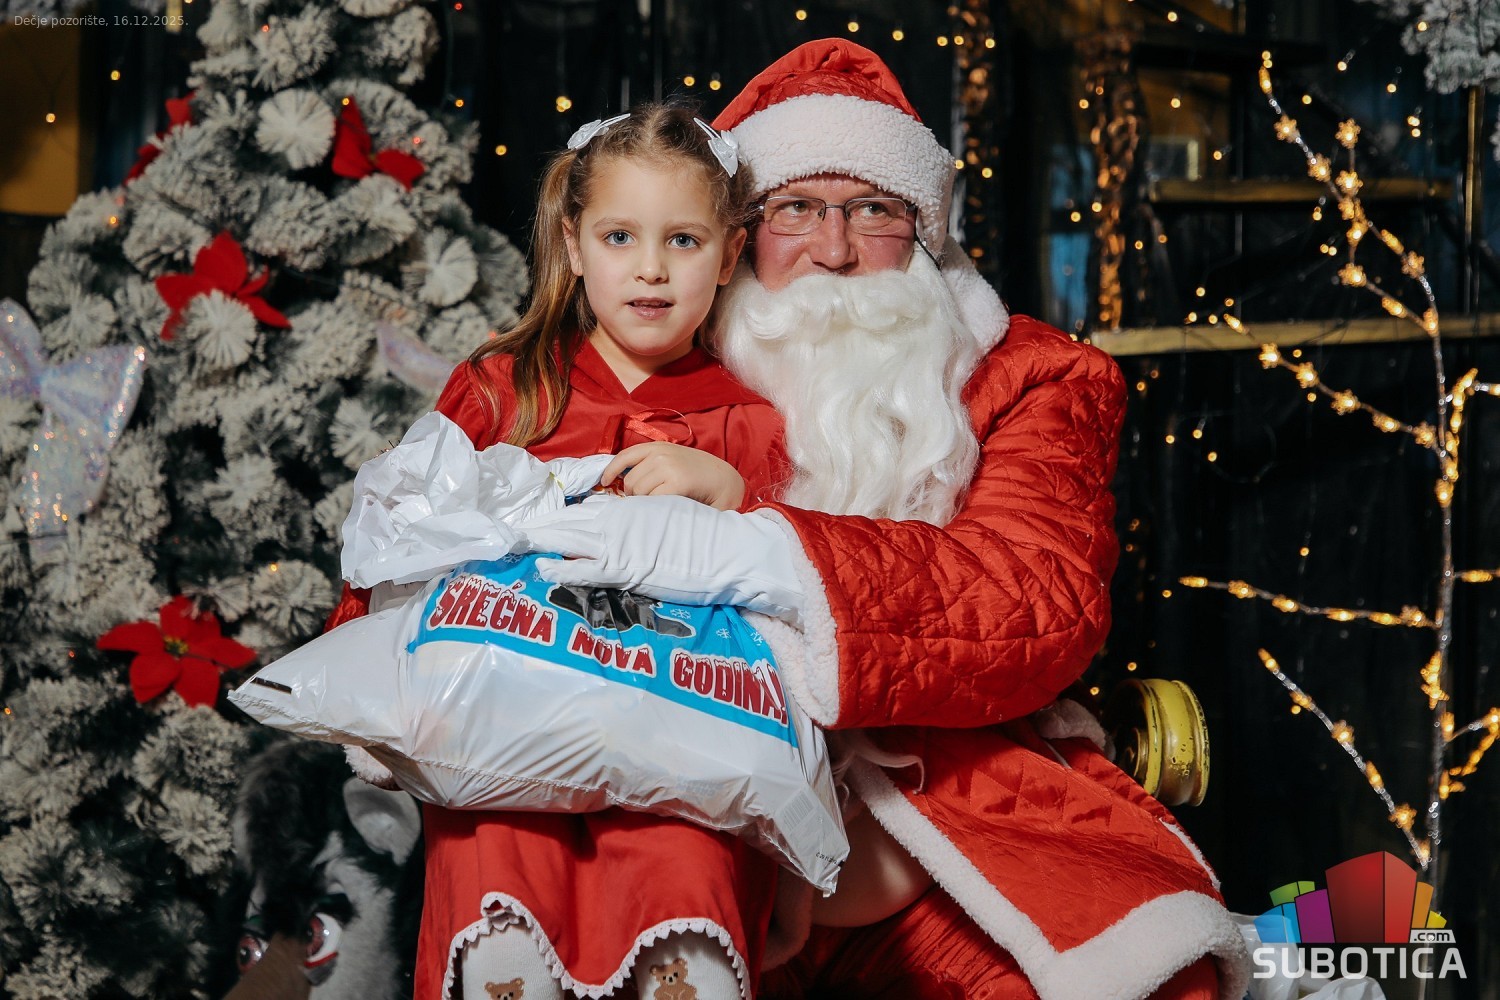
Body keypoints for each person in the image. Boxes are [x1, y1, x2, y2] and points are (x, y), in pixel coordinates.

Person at [523, 39, 1252, 1000]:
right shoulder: (652, 355)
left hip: (948, 853)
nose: (833, 250)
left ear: (926, 234)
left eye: (874, 209)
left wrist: (757, 540)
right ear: (737, 237)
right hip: (683, 853)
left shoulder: (1031, 376)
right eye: (794, 208)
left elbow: (1031, 600)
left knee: (1152, 979)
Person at [325, 105, 791, 999]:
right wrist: (367, 686)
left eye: (683, 240)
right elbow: (399, 531)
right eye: (620, 236)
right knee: (498, 853)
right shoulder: (504, 388)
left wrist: (735, 492)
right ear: (574, 244)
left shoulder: (750, 420)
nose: (651, 268)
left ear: (731, 254)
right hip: (506, 717)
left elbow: (813, 576)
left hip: (680, 727)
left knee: (684, 867)